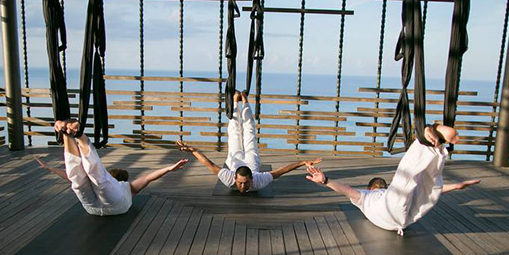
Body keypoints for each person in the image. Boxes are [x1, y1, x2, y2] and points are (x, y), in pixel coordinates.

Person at [305, 124, 480, 235]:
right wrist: (326, 180)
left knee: (428, 188)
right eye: (379, 185)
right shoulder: (366, 196)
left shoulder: (371, 196)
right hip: (388, 213)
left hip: (401, 219)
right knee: (407, 181)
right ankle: (426, 139)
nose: (380, 185)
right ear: (373, 187)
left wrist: (456, 186)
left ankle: (435, 144)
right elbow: (347, 190)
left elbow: (347, 190)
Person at [35, 119, 188, 216]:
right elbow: (149, 178)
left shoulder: (126, 186)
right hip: (107, 208)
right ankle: (70, 134)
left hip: (95, 208)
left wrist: (50, 168)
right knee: (84, 179)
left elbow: (67, 175)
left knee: (82, 179)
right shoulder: (129, 188)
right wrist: (169, 169)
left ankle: (71, 135)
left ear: (114, 176)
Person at [177, 91, 321, 193]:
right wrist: (302, 162)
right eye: (240, 183)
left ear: (252, 179)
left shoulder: (254, 180)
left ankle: (236, 101)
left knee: (234, 132)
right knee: (249, 131)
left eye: (245, 183)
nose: (242, 186)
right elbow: (281, 171)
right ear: (235, 178)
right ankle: (244, 102)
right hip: (250, 160)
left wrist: (193, 150)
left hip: (237, 160)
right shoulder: (251, 181)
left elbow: (207, 163)